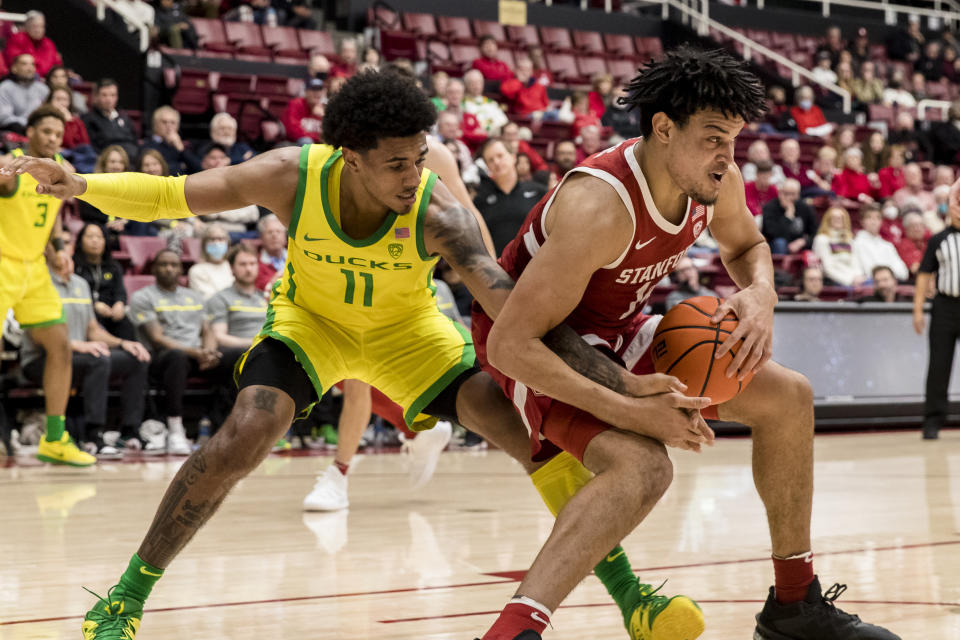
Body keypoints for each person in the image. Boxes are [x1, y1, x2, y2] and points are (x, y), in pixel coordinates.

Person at [11, 70, 692, 640]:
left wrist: (624, 386)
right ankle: (125, 599)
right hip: (313, 323)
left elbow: (513, 305)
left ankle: (632, 598)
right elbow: (173, 195)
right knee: (243, 436)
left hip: (410, 334)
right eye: (396, 162)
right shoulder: (292, 175)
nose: (413, 174)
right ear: (350, 155)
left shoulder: (437, 212)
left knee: (526, 438)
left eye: (419, 157)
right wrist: (79, 184)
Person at [472, 48, 900, 640]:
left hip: (619, 331)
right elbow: (512, 345)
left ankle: (794, 607)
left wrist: (761, 294)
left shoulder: (714, 180)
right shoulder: (599, 205)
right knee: (645, 467)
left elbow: (747, 247)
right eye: (714, 139)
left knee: (789, 398)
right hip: (540, 343)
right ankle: (512, 632)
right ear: (664, 129)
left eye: (735, 141)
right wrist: (628, 406)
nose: (728, 158)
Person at [0, 105, 94, 466]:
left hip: (34, 269)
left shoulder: (58, 171)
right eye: (47, 132)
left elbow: (50, 214)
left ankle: (54, 439)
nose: (53, 138)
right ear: (30, 132)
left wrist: (57, 248)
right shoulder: (14, 166)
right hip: (4, 263)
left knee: (61, 347)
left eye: (58, 133)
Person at [20, 230, 151, 455]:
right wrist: (74, 345)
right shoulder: (36, 283)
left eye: (68, 244)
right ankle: (93, 436)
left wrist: (122, 343)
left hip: (82, 355)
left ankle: (130, 431)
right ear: (45, 250)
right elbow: (36, 333)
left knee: (136, 359)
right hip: (42, 360)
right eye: (57, 245)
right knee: (96, 361)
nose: (63, 250)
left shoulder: (81, 284)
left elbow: (92, 330)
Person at [129, 249, 233, 455]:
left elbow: (208, 330)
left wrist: (210, 352)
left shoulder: (195, 297)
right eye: (163, 264)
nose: (169, 268)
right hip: (162, 358)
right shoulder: (143, 297)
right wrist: (197, 353)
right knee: (176, 358)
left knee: (235, 356)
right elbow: (157, 339)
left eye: (174, 264)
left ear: (181, 270)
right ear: (154, 269)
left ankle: (229, 425)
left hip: (197, 356)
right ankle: (175, 428)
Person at [914, 180, 960, 439]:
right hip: (944, 307)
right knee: (939, 366)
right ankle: (933, 421)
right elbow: (923, 275)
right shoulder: (938, 240)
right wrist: (918, 310)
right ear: (949, 208)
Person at [473, 137, 548, 255]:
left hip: (534, 267)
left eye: (500, 156)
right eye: (490, 160)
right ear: (487, 166)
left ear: (513, 157)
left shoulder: (539, 192)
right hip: (497, 269)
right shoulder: (480, 201)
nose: (496, 162)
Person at [74, 222, 135, 340]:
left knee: (125, 323)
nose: (95, 241)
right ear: (81, 240)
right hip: (86, 311)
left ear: (105, 241)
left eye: (99, 237)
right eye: (90, 237)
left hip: (110, 313)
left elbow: (120, 291)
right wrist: (94, 305)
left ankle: (131, 352)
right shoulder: (74, 266)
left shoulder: (114, 266)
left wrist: (119, 304)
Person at [82, 78, 140, 160]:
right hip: (108, 163)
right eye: (104, 95)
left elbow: (135, 142)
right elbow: (92, 148)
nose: (109, 99)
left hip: (132, 160)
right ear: (96, 96)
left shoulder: (125, 118)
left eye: (113, 95)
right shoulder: (88, 119)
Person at [813, 206, 867, 286]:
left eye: (841, 218)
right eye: (834, 217)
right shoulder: (822, 239)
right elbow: (827, 268)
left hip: (855, 279)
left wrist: (859, 276)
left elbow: (856, 262)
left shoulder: (849, 240)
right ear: (828, 220)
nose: (838, 220)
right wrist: (849, 280)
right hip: (836, 280)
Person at [761, 178, 817, 254]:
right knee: (780, 242)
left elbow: (815, 232)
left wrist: (803, 241)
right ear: (780, 193)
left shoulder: (805, 207)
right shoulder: (769, 208)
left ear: (798, 194)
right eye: (786, 193)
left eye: (793, 194)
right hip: (775, 245)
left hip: (798, 243)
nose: (789, 197)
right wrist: (788, 216)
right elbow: (773, 234)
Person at [142, 105, 199, 175]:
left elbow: (199, 169)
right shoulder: (147, 146)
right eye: (164, 122)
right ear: (155, 124)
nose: (169, 126)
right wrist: (180, 166)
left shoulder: (182, 147)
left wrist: (181, 149)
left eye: (173, 122)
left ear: (178, 126)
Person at [0, 54, 49, 133]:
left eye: (32, 64)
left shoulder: (43, 89)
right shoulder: (5, 88)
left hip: (39, 131)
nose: (29, 68)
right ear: (14, 68)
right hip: (15, 131)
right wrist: (29, 124)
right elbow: (3, 117)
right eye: (24, 64)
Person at [3, 11, 62, 77]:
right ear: (26, 27)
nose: (38, 30)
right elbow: (15, 65)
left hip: (46, 79)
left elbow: (56, 65)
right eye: (35, 26)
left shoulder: (48, 43)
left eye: (41, 26)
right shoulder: (17, 39)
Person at [187, 223, 233, 300]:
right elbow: (207, 299)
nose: (216, 243)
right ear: (204, 244)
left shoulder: (234, 267)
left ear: (227, 243)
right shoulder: (196, 270)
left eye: (220, 239)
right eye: (212, 239)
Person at [463, 69, 509, 135]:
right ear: (466, 85)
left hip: (497, 135)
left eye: (479, 82)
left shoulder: (491, 103)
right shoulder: (462, 104)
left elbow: (504, 122)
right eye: (472, 82)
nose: (476, 85)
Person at [282, 77, 324, 144]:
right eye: (313, 90)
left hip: (317, 143)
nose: (317, 93)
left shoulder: (324, 108)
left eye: (319, 90)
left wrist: (324, 116)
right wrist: (317, 138)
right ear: (306, 92)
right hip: (294, 144)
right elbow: (293, 131)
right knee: (307, 142)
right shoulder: (296, 104)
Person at [254, 213, 287, 291]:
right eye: (269, 232)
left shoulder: (297, 257)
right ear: (261, 237)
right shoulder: (254, 262)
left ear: (285, 236)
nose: (274, 236)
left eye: (278, 231)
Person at [898, 211, 929, 276]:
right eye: (914, 226)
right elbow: (915, 269)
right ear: (906, 228)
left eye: (921, 225)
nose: (918, 229)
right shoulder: (903, 245)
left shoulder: (927, 242)